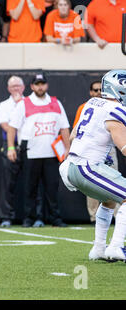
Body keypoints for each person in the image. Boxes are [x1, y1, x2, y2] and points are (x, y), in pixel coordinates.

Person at [59, 69, 126, 261]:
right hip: (86, 167)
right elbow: (124, 148)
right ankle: (116, 246)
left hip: (71, 165)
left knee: (108, 199)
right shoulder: (116, 110)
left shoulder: (92, 102)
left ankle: (98, 249)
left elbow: (72, 136)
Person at [7, 73, 70, 227]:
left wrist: (68, 148)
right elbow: (12, 127)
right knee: (30, 187)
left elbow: (64, 128)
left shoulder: (55, 102)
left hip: (52, 152)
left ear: (46, 85)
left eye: (42, 84)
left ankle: (55, 218)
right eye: (37, 84)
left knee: (52, 188)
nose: (40, 87)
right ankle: (29, 218)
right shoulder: (24, 103)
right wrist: (10, 147)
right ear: (32, 86)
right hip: (30, 151)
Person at [73, 80, 120, 224]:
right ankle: (94, 216)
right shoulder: (86, 106)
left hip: (108, 148)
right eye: (95, 90)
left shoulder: (110, 106)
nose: (98, 92)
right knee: (93, 185)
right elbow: (75, 131)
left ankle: (117, 216)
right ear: (90, 92)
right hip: (91, 149)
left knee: (114, 181)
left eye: (101, 89)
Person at [0, 76, 25, 227]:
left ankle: (31, 216)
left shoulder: (29, 103)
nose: (16, 89)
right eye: (13, 86)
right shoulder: (3, 105)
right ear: (8, 89)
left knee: (32, 182)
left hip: (27, 144)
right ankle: (6, 217)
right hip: (10, 144)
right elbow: (6, 126)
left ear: (24, 87)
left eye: (18, 86)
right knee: (8, 183)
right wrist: (17, 132)